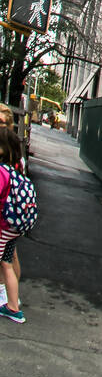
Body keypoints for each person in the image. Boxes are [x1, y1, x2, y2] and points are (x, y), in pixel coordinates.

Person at [0, 125, 27, 322]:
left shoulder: (2, 172)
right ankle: (13, 305)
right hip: (13, 227)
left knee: (5, 264)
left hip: (2, 226)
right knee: (7, 263)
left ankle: (13, 305)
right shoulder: (17, 168)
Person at [0, 106, 22, 309]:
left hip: (4, 221)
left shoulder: (5, 162)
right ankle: (13, 300)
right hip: (13, 222)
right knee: (8, 258)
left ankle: (9, 299)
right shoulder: (16, 154)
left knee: (7, 260)